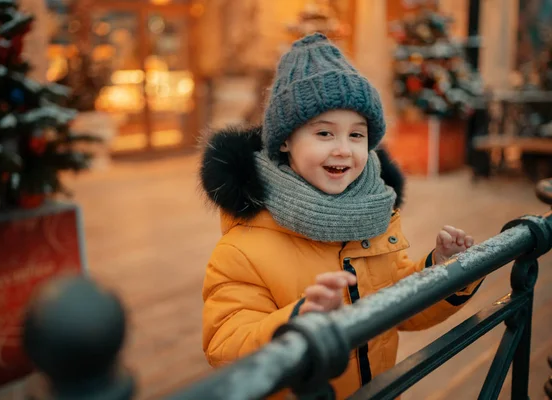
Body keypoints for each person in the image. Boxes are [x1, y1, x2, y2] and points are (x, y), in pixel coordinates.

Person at [199, 32, 482, 399]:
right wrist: (298, 322)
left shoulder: (374, 216)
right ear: (285, 140)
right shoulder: (243, 246)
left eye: (356, 135)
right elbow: (225, 343)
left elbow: (396, 303)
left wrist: (444, 270)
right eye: (324, 132)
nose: (343, 150)